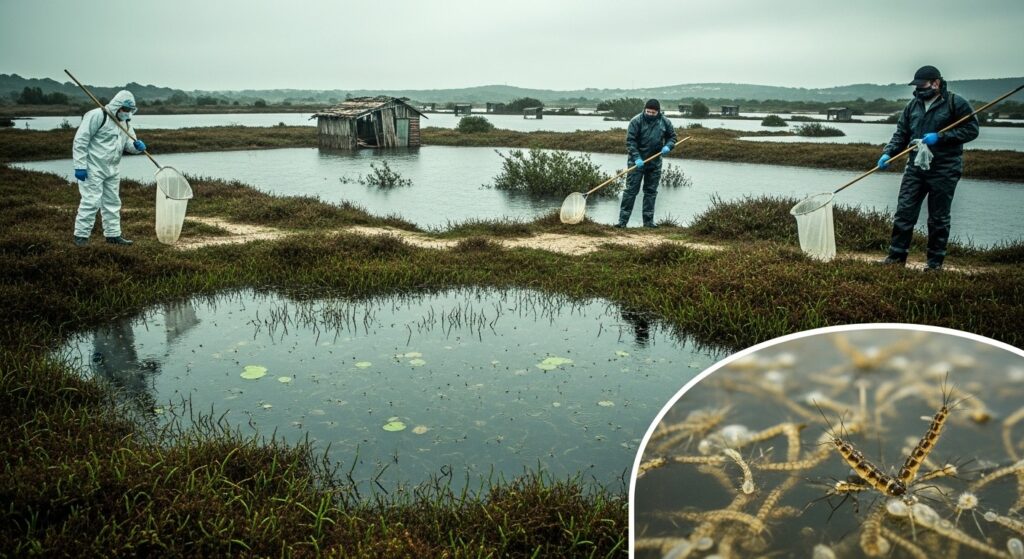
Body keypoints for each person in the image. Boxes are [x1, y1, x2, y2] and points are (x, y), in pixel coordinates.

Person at [876, 66, 979, 271]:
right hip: (915, 167)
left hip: (945, 168)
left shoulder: (955, 103)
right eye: (916, 86)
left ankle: (934, 264)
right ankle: (896, 259)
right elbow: (901, 133)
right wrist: (888, 153)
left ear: (936, 83)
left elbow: (971, 130)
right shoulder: (912, 106)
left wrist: (940, 137)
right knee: (904, 212)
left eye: (922, 85)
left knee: (938, 218)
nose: (919, 89)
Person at [72, 90, 147, 247]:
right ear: (118, 106)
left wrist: (137, 146)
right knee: (91, 201)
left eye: (130, 110)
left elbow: (127, 145)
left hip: (112, 168)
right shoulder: (97, 116)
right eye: (125, 109)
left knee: (112, 202)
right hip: (93, 167)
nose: (127, 113)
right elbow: (80, 140)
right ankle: (81, 237)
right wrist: (80, 166)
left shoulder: (125, 123)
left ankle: (113, 235)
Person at [616, 99, 678, 228]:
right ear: (644, 109)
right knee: (631, 191)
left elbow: (672, 137)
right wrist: (637, 158)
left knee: (650, 192)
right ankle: (622, 222)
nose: (650, 114)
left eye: (653, 112)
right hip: (636, 162)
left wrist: (668, 146)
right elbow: (630, 142)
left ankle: (648, 223)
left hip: (655, 163)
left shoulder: (665, 122)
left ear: (658, 112)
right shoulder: (636, 121)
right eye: (648, 111)